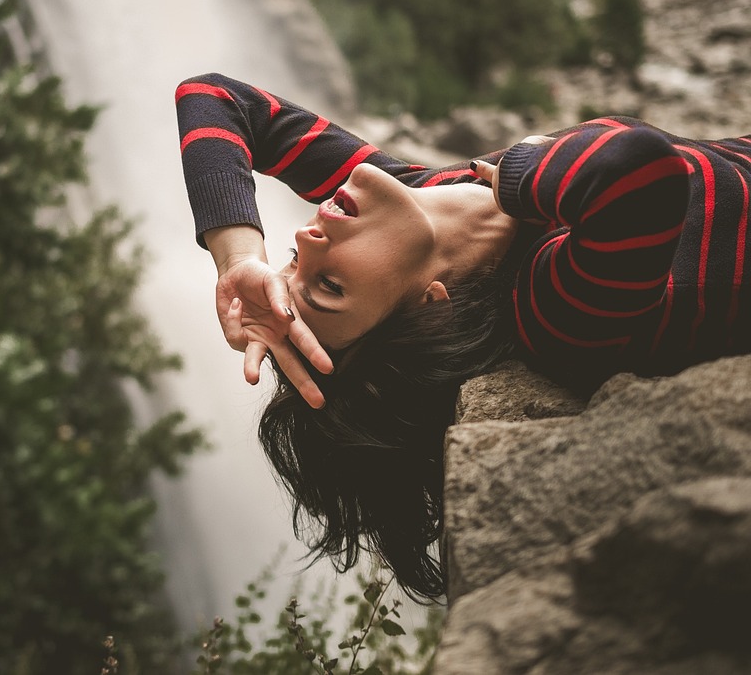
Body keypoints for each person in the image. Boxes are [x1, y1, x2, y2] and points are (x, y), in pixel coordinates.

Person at [176, 72, 751, 600]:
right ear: (430, 311)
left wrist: (239, 258)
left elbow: (216, 98)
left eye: (294, 260)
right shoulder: (546, 304)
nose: (307, 235)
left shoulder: (426, 191)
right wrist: (520, 178)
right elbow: (634, 173)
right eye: (329, 285)